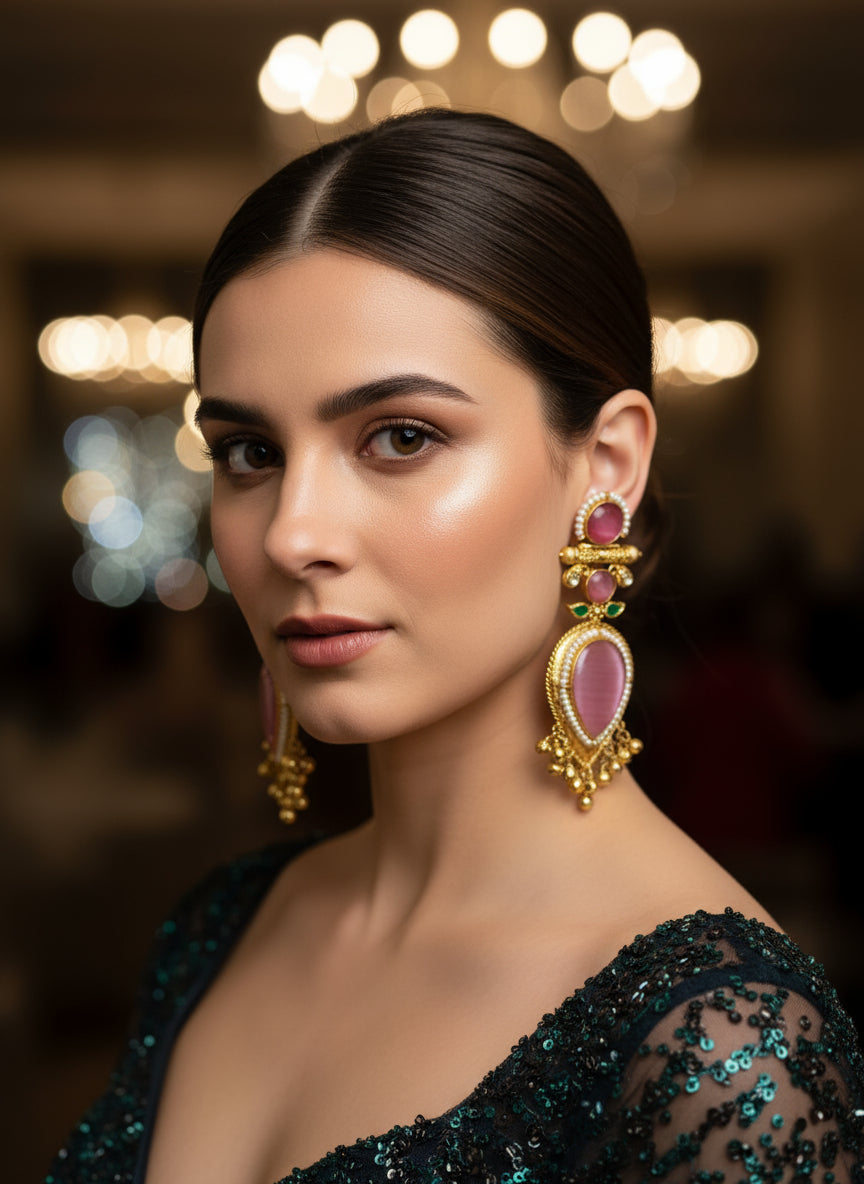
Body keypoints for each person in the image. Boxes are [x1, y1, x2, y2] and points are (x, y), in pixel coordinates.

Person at [46, 109, 863, 1184]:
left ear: (605, 464)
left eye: (400, 436)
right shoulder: (224, 922)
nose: (291, 532)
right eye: (250, 450)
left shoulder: (723, 1046)